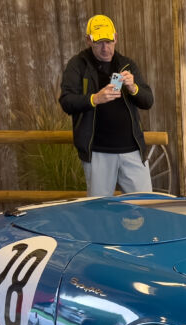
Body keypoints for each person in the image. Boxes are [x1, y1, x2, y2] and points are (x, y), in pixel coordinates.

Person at [59, 14, 155, 197]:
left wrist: (133, 87)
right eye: (99, 42)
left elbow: (148, 101)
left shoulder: (126, 64)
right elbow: (66, 101)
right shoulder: (78, 65)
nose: (105, 48)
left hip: (132, 151)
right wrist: (94, 99)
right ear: (88, 40)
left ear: (116, 38)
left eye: (109, 41)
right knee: (100, 213)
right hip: (97, 153)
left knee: (145, 208)